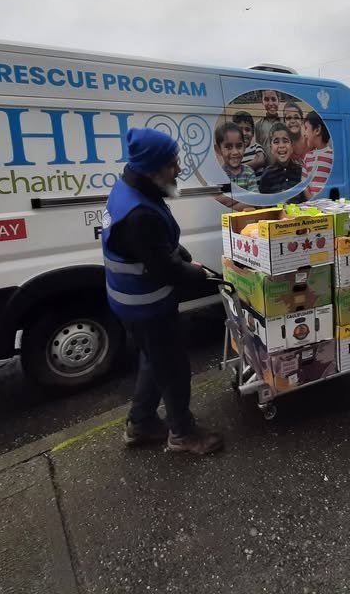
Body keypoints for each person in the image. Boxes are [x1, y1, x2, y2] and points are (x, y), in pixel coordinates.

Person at [101, 128, 224, 454]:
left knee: (153, 361)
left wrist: (182, 256)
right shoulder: (139, 215)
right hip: (147, 306)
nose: (179, 168)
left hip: (130, 301)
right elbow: (166, 269)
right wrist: (199, 274)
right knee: (172, 369)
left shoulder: (131, 186)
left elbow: (161, 246)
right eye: (172, 164)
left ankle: (140, 424)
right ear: (152, 169)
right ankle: (183, 434)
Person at [259, 123, 303, 194]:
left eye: (285, 141)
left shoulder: (300, 172)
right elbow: (264, 202)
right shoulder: (267, 175)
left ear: (292, 146)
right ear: (271, 148)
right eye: (276, 142)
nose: (281, 146)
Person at [215, 122, 259, 192]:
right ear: (218, 150)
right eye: (228, 147)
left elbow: (254, 199)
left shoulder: (249, 172)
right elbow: (218, 200)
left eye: (239, 146)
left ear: (244, 147)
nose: (235, 152)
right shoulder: (218, 175)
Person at [300, 111, 334, 200]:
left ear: (317, 130)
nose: (304, 134)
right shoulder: (307, 157)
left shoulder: (333, 157)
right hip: (312, 207)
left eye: (306, 128)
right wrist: (312, 201)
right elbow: (304, 185)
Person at [232, 111, 266, 176]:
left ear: (253, 133)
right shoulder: (233, 152)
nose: (244, 133)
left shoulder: (256, 147)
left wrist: (238, 168)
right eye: (240, 130)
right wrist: (254, 163)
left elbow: (260, 161)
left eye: (247, 130)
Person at [255, 89, 282, 158]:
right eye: (266, 99)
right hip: (267, 168)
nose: (270, 103)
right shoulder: (258, 125)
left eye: (273, 99)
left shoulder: (285, 123)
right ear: (262, 101)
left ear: (278, 100)